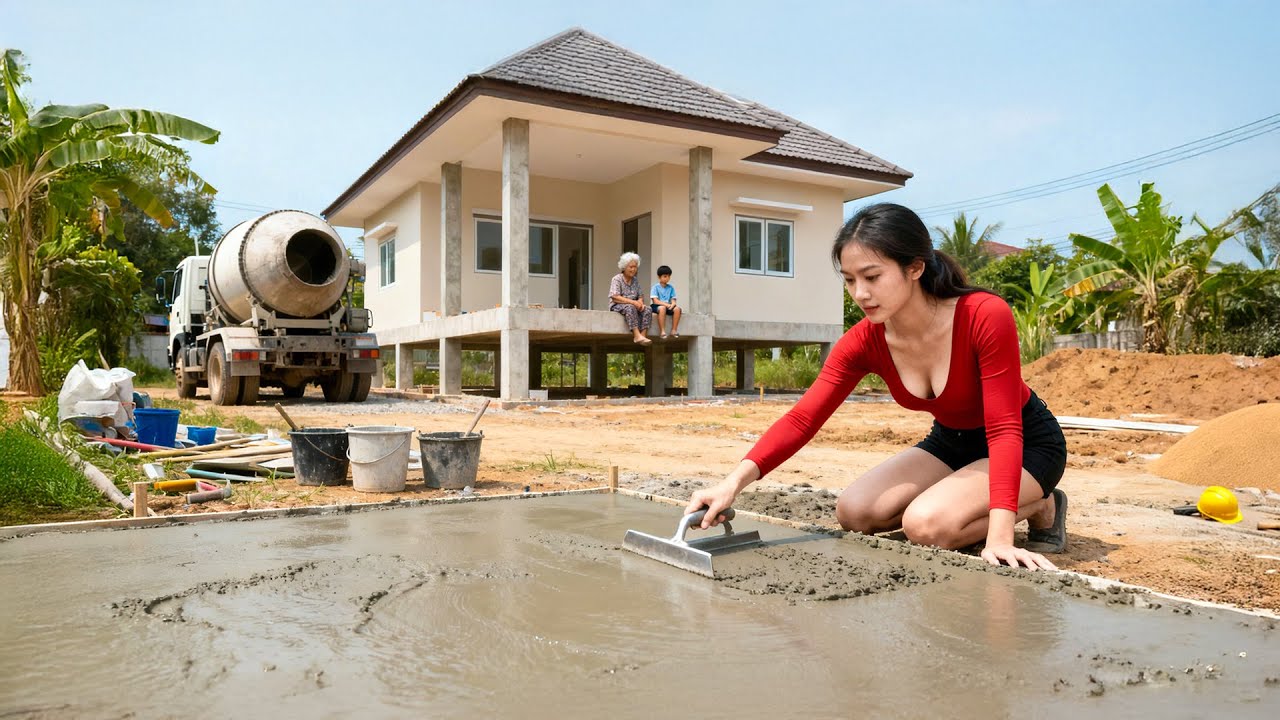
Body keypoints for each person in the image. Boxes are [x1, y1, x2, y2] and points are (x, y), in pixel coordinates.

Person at [685, 203, 1068, 571]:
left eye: (872, 277)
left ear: (914, 268)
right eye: (850, 280)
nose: (859, 294)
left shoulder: (983, 315)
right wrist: (731, 485)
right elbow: (804, 418)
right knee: (855, 512)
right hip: (952, 441)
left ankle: (1042, 505)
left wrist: (1000, 537)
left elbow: (1004, 428)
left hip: (1026, 443)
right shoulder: (864, 340)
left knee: (927, 527)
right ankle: (961, 499)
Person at [609, 252, 655, 345]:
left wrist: (640, 302)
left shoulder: (635, 280)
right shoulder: (617, 279)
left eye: (635, 267)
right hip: (618, 305)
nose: (633, 269)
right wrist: (634, 303)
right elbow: (615, 297)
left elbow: (640, 295)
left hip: (633, 305)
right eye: (631, 267)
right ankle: (636, 335)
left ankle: (643, 335)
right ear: (624, 267)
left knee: (648, 309)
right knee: (630, 307)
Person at [650, 265, 682, 339]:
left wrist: (673, 304)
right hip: (657, 306)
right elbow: (655, 300)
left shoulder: (670, 287)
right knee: (662, 308)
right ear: (659, 277)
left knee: (677, 309)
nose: (667, 278)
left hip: (668, 306)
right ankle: (662, 331)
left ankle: (674, 330)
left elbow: (673, 299)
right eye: (665, 276)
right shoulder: (655, 287)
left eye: (668, 276)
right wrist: (666, 305)